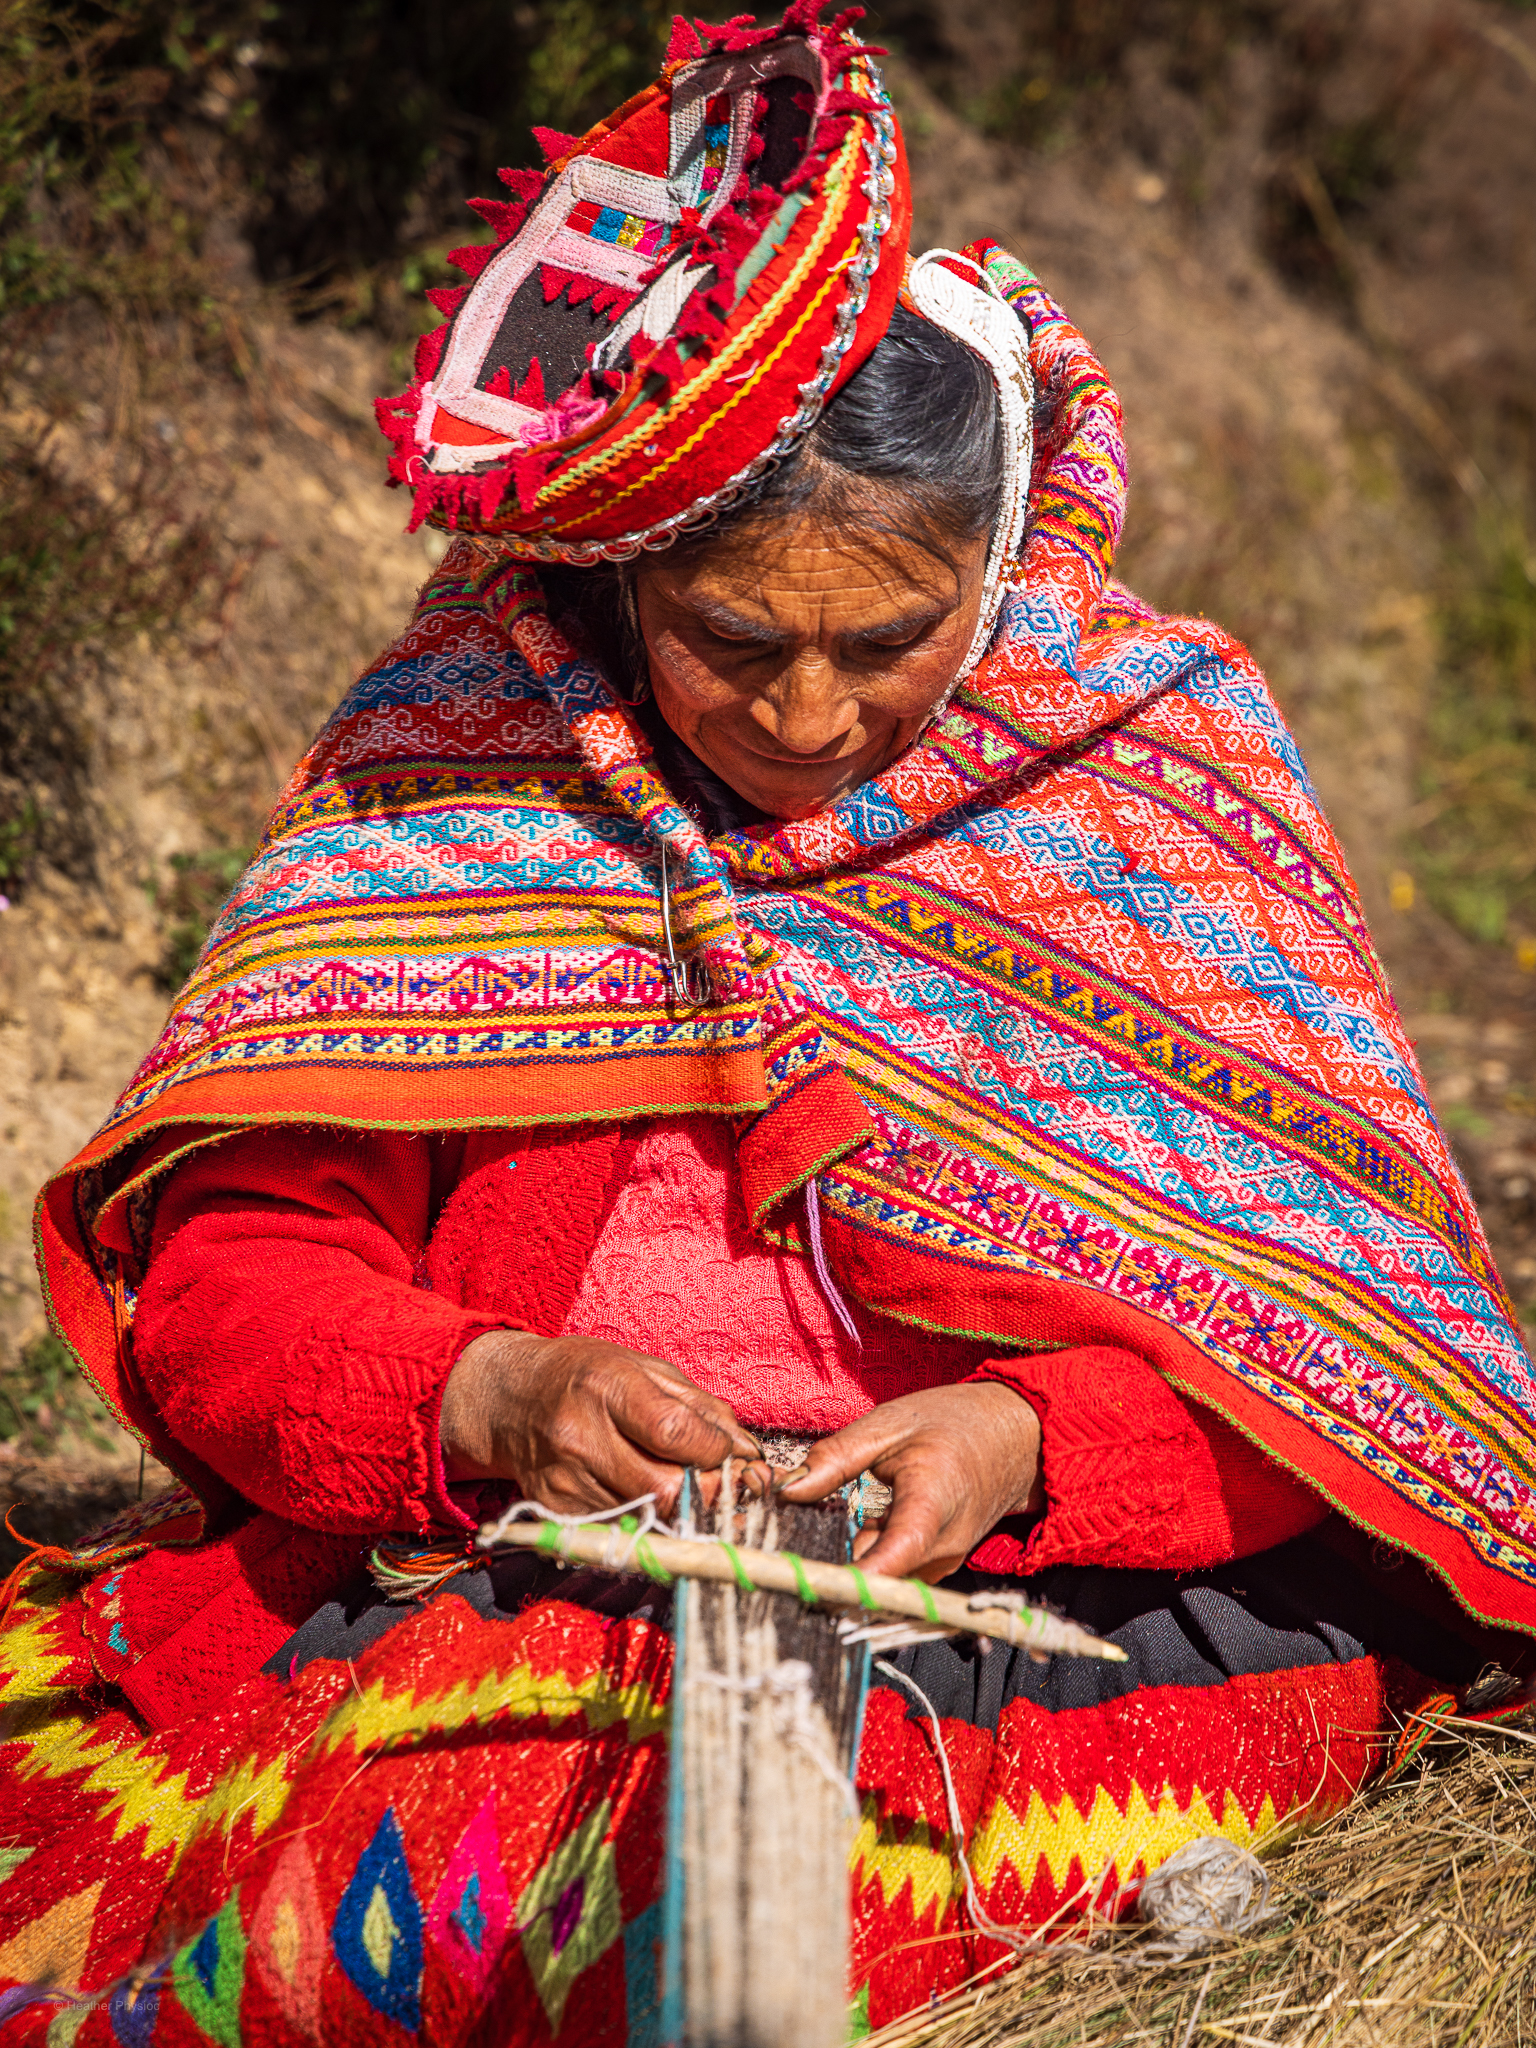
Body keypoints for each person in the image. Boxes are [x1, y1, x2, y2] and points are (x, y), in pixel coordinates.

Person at [4, 6, 1534, 2042]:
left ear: (996, 570)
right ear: (623, 584)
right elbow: (226, 1282)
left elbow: (1343, 1355)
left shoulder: (1152, 783)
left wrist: (1023, 1438)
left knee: (799, 1886)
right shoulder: (460, 771)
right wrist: (488, 1392)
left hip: (1061, 1609)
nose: (807, 719)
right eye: (733, 642)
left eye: (885, 642)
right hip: (503, 1566)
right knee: (413, 1875)